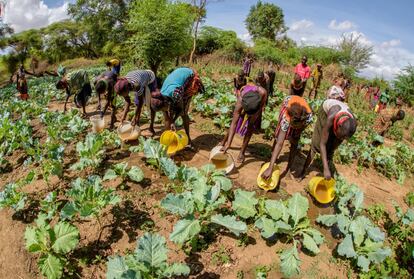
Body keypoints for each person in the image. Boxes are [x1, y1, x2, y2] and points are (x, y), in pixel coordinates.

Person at [299, 99, 357, 180]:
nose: (342, 139)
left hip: (341, 124)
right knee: (316, 143)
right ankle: (303, 171)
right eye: (342, 136)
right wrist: (325, 169)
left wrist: (335, 144)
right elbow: (322, 144)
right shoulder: (331, 117)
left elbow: (341, 137)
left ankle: (328, 165)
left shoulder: (352, 126)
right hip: (326, 111)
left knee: (331, 147)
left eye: (344, 138)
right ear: (339, 126)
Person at [261, 95, 313, 180]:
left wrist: (297, 132)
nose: (294, 127)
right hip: (288, 102)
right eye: (292, 125)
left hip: (301, 114)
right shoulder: (286, 117)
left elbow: (303, 127)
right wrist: (270, 168)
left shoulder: (308, 118)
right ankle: (272, 158)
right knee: (278, 136)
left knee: (295, 141)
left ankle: (288, 168)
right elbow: (280, 143)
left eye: (296, 126)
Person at [220, 80, 267, 163]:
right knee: (235, 122)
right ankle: (225, 142)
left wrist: (255, 115)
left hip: (257, 108)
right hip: (247, 103)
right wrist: (229, 144)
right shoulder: (241, 99)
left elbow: (262, 107)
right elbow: (233, 124)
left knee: (250, 126)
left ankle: (242, 152)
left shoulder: (263, 93)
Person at [158, 67, 204, 146]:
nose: (166, 109)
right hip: (176, 83)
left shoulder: (177, 94)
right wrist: (170, 120)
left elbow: (180, 110)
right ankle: (168, 142)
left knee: (184, 114)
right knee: (167, 117)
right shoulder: (162, 93)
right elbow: (168, 112)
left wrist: (173, 121)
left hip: (188, 80)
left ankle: (188, 139)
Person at [114, 70, 159, 135]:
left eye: (123, 94)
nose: (123, 96)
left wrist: (135, 117)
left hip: (150, 79)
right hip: (141, 79)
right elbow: (128, 101)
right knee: (137, 103)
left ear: (128, 89)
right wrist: (123, 116)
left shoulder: (136, 85)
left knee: (152, 104)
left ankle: (151, 128)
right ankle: (136, 124)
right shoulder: (122, 84)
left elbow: (141, 102)